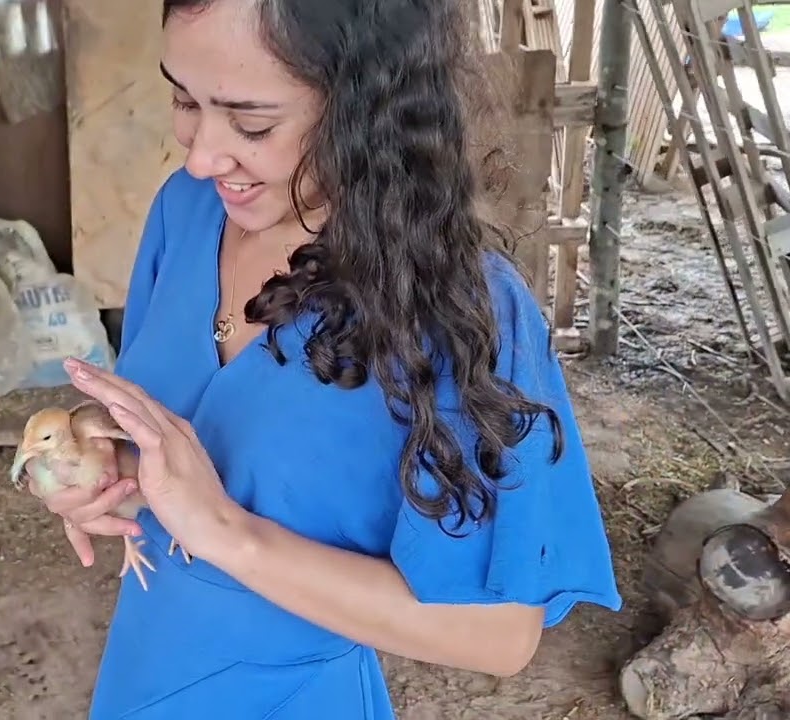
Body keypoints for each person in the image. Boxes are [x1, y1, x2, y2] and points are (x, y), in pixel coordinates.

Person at [34, 0, 623, 717]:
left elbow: (497, 634)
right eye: (183, 99)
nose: (200, 155)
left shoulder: (455, 312)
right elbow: (174, 444)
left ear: (364, 106)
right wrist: (102, 471)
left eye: (253, 124)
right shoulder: (186, 210)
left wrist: (229, 534)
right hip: (143, 676)